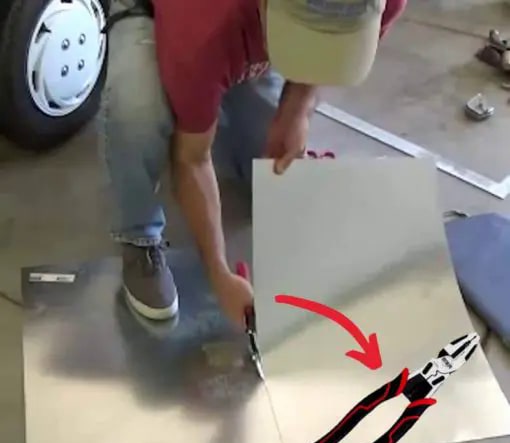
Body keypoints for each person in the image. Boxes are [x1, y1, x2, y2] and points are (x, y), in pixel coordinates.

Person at [98, 0, 407, 329]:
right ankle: (139, 238)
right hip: (154, 9)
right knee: (137, 113)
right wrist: (219, 274)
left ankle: (211, 91)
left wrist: (296, 109)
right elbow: (192, 158)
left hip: (234, 30)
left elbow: (328, 53)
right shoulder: (203, 25)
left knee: (272, 160)